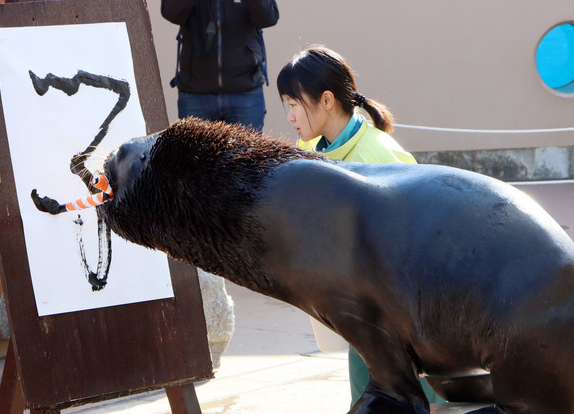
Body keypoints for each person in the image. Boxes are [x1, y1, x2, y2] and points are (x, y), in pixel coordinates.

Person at [276, 45, 446, 410]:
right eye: (286, 105)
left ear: (326, 100)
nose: (289, 116)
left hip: (405, 319)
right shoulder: (308, 147)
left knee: (419, 403)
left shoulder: (380, 156)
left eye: (294, 103)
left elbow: (418, 238)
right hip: (360, 311)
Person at [161, 0, 279, 131]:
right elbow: (171, 12)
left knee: (247, 152)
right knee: (195, 152)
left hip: (245, 90)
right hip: (195, 92)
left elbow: (268, 17)